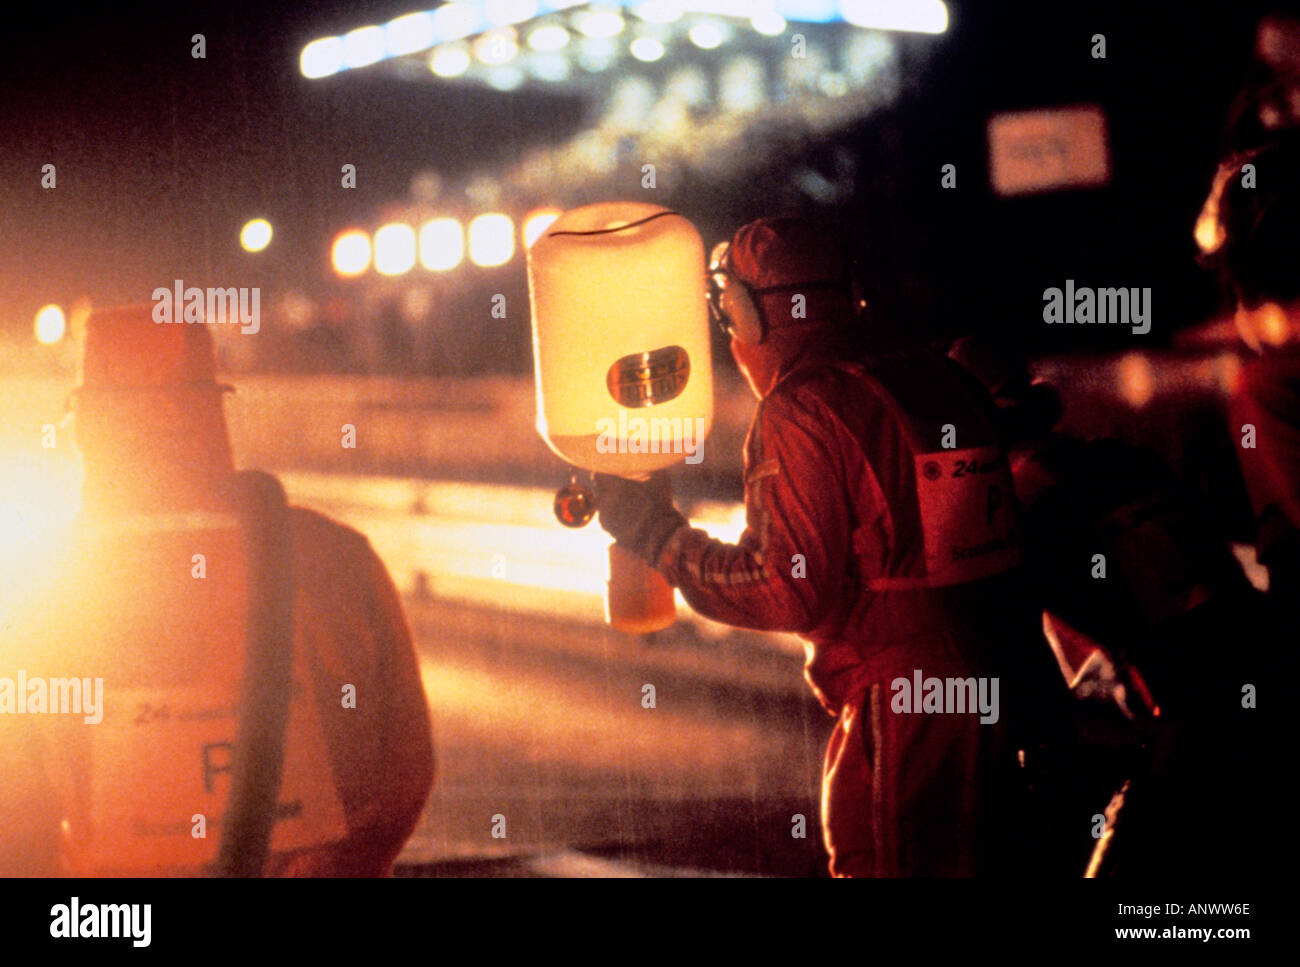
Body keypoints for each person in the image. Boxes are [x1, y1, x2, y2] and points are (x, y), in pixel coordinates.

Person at [594, 216, 1067, 877]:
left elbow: (784, 588)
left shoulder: (806, 404)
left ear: (751, 315)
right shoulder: (935, 374)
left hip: (905, 703)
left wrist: (660, 537)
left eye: (728, 309)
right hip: (1004, 676)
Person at [0, 304, 434, 876]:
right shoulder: (335, 559)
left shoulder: (40, 593)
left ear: (91, 426)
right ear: (212, 412)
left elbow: (19, 817)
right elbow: (404, 771)